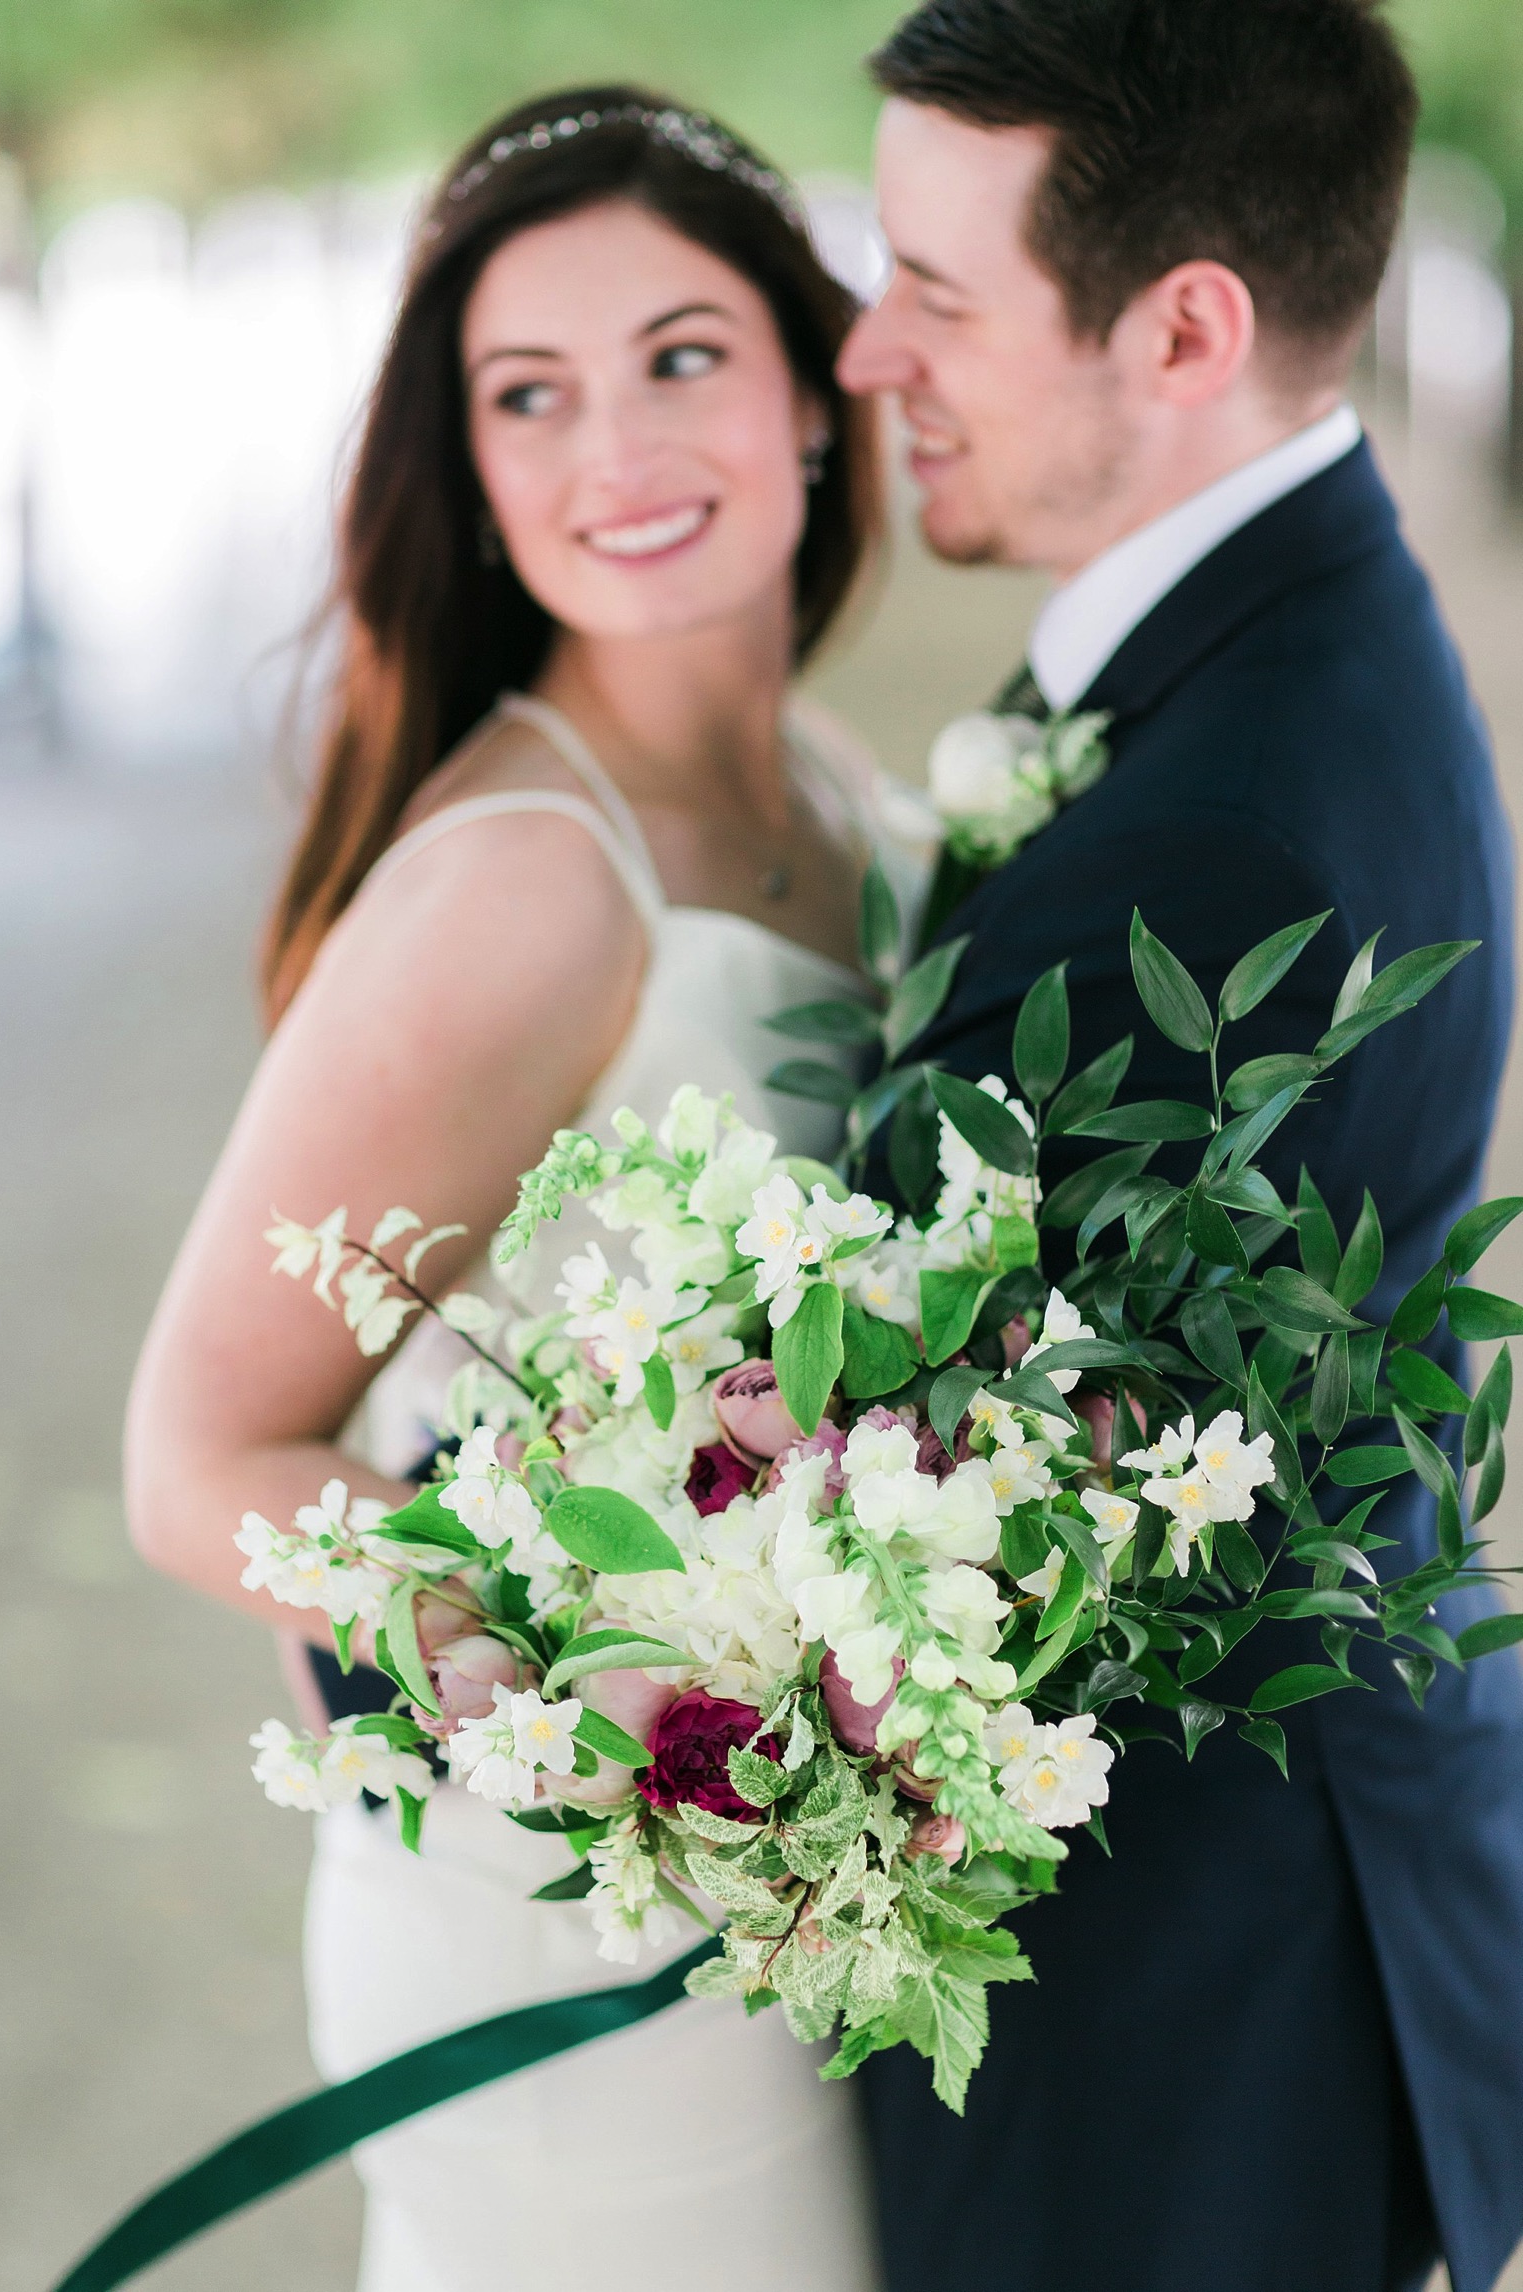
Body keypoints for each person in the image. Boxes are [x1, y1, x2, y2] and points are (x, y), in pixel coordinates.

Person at [125, 86, 913, 2292]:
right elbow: (196, 1460)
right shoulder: (518, 884)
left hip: (815, 1908)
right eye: (525, 395)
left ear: (808, 390)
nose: (615, 453)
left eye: (679, 356)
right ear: (465, 469)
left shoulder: (848, 801)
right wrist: (620, 1697)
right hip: (574, 1938)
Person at [837, 5, 1523, 2291]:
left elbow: (929, 1469)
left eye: (932, 291)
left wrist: (450, 1636)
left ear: (1184, 326)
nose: (865, 351)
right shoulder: (1250, 655)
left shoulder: (1220, 818)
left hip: (1177, 2043)